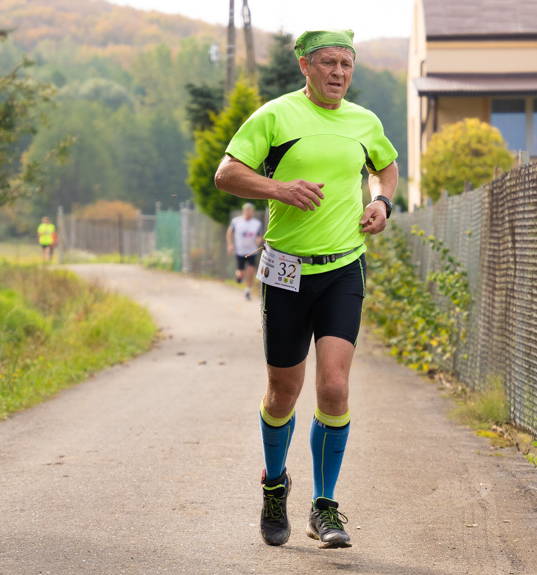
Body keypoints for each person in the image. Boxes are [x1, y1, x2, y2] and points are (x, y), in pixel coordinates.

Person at [214, 29, 398, 549]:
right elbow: (226, 173)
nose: (339, 72)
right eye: (328, 63)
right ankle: (275, 486)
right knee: (282, 393)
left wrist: (383, 203)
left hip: (344, 267)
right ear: (304, 65)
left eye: (347, 64)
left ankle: (324, 506)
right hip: (287, 271)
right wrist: (279, 188)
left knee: (335, 387)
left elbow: (387, 166)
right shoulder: (275, 116)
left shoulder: (365, 122)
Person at [226, 202, 263, 300]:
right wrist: (230, 244)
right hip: (240, 251)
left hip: (252, 251)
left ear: (253, 212)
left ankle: (247, 290)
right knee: (241, 273)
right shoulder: (236, 221)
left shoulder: (256, 223)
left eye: (250, 210)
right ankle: (238, 277)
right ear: (243, 211)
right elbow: (230, 232)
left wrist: (259, 240)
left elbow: (260, 235)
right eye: (247, 210)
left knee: (251, 271)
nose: (249, 212)